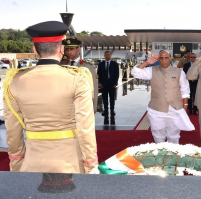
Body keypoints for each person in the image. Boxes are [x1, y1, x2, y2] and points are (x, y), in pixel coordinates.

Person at [3, 21, 98, 173]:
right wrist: (91, 165)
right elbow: (85, 129)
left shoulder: (13, 81)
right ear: (61, 49)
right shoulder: (78, 79)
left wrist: (17, 166)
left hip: (32, 163)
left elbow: (13, 132)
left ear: (35, 50)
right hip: (70, 163)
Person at [131, 50, 194, 144]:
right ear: (158, 59)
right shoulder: (151, 70)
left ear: (170, 58)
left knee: (174, 136)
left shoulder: (179, 72)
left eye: (166, 58)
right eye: (161, 58)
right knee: (158, 136)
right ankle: (161, 156)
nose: (164, 60)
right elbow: (135, 72)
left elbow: (185, 89)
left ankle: (173, 156)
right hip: (156, 109)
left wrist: (185, 106)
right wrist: (147, 62)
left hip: (175, 109)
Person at [62, 37, 98, 113]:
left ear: (78, 49)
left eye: (71, 49)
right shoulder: (62, 65)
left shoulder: (88, 66)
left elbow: (94, 87)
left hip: (82, 104)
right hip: (65, 104)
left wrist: (94, 106)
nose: (68, 52)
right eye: (67, 49)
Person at [97, 51, 119, 116]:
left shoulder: (114, 64)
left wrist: (115, 83)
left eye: (108, 55)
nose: (107, 56)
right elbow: (98, 74)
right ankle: (105, 110)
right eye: (106, 55)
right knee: (104, 98)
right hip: (103, 84)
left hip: (112, 84)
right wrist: (99, 83)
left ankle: (112, 110)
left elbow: (116, 74)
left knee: (112, 98)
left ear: (110, 56)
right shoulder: (101, 64)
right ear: (104, 56)